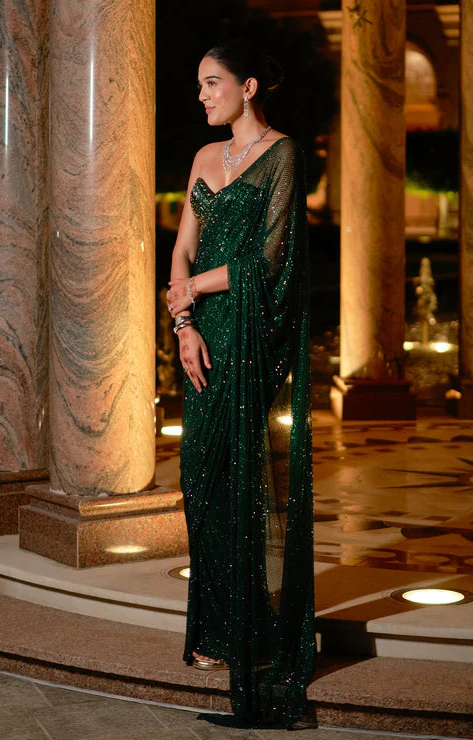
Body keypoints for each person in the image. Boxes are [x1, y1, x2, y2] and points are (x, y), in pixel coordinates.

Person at [166, 39, 314, 729]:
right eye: (199, 85)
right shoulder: (204, 158)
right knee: (199, 476)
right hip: (201, 337)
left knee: (239, 480)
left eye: (211, 83)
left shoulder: (283, 155)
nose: (201, 95)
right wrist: (183, 325)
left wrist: (195, 288)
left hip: (250, 336)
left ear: (248, 86)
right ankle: (218, 627)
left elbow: (272, 257)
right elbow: (181, 247)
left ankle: (247, 638)